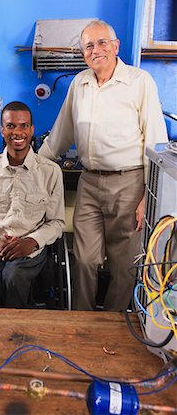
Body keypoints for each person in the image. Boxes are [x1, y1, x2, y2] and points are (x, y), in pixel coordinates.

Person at [38, 20, 168, 311]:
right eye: (88, 46)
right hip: (90, 183)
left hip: (130, 184)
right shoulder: (79, 84)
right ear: (82, 52)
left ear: (116, 45)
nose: (95, 50)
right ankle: (82, 323)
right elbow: (61, 133)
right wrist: (34, 167)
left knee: (124, 266)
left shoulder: (139, 81)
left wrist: (148, 196)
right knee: (84, 258)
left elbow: (155, 142)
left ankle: (113, 328)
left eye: (101, 43)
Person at [0, 101, 65, 308]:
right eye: (10, 126)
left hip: (31, 249)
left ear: (31, 130)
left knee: (14, 276)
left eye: (23, 125)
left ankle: (18, 334)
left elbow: (57, 223)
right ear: (2, 130)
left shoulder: (50, 172)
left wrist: (31, 242)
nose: (17, 132)